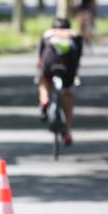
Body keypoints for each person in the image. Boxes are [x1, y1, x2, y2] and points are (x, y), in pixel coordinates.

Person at [36, 17, 84, 145]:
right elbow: (78, 57)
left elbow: (40, 59)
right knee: (67, 94)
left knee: (45, 81)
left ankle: (44, 98)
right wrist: (75, 73)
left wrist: (41, 71)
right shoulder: (75, 35)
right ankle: (67, 132)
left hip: (49, 60)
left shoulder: (48, 34)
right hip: (68, 63)